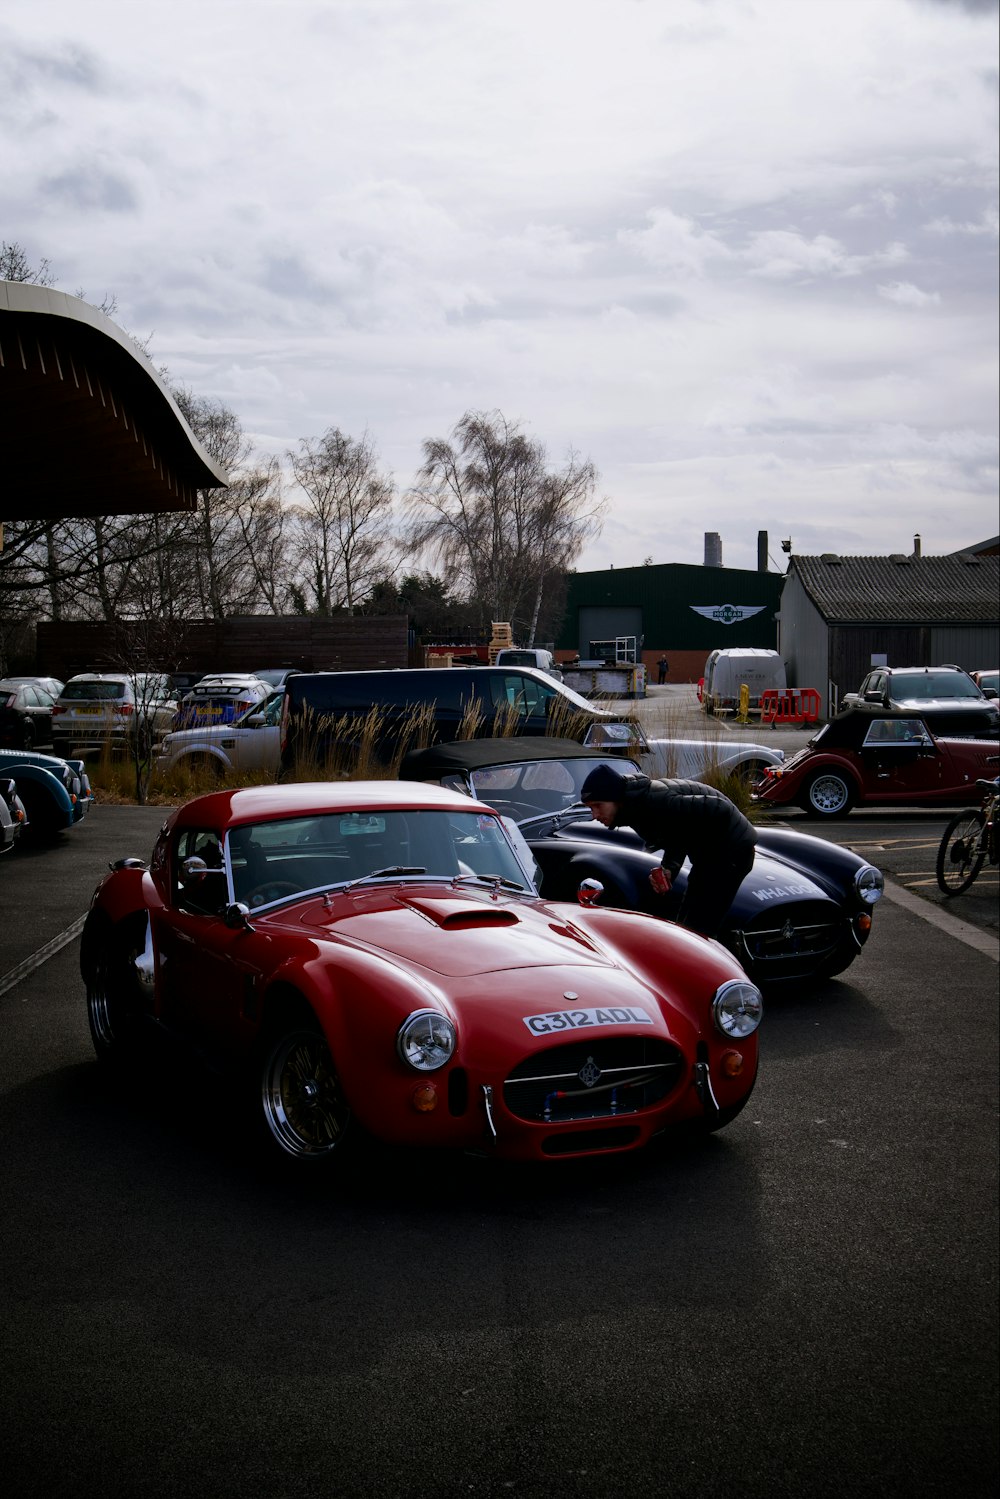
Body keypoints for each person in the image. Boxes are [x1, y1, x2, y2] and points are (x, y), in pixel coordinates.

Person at [579, 762, 756, 939]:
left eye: (598, 805)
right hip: (711, 859)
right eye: (590, 808)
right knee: (687, 925)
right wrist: (670, 868)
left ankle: (705, 962)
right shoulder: (637, 805)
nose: (594, 815)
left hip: (731, 854)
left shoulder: (656, 801)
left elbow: (720, 808)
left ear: (615, 798)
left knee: (701, 929)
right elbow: (677, 830)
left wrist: (712, 852)